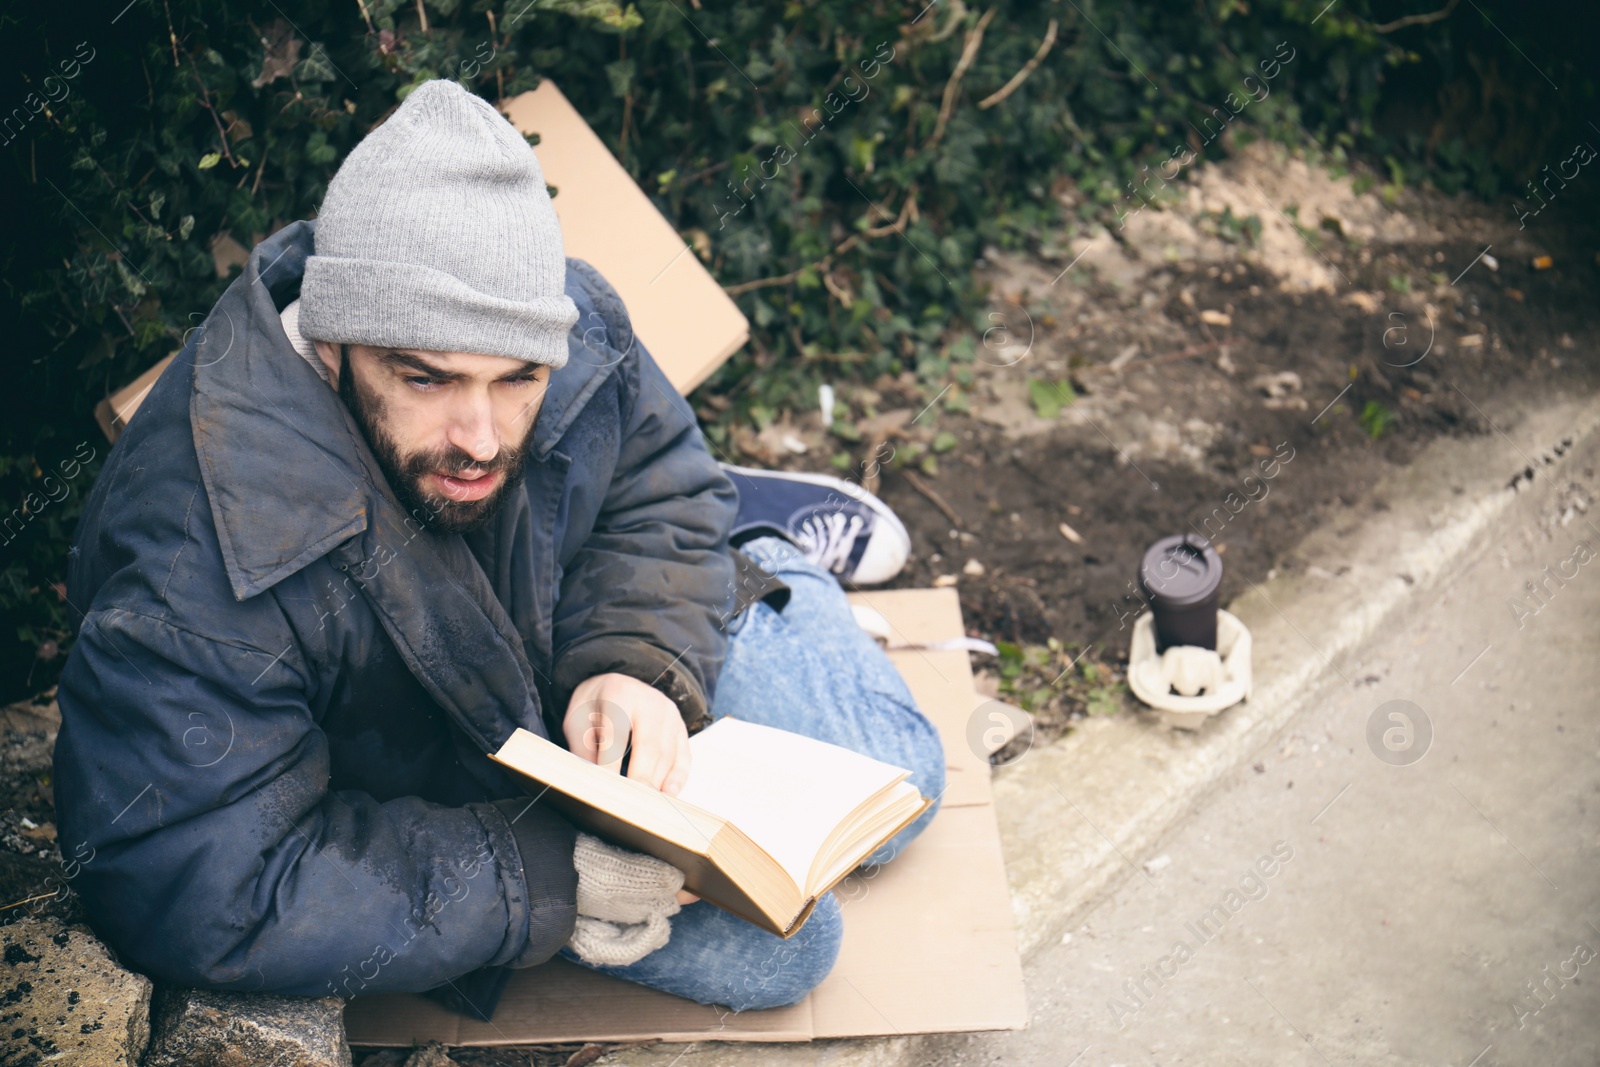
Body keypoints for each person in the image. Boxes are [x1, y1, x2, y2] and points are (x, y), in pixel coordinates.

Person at [52, 79, 944, 1021]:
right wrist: (550, 879)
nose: (481, 435)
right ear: (332, 343)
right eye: (428, 378)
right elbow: (194, 880)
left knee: (903, 782)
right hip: (446, 799)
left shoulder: (558, 321)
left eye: (519, 380)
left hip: (558, 665)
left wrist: (637, 661)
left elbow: (658, 487)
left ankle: (768, 543)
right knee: (790, 956)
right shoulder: (198, 553)